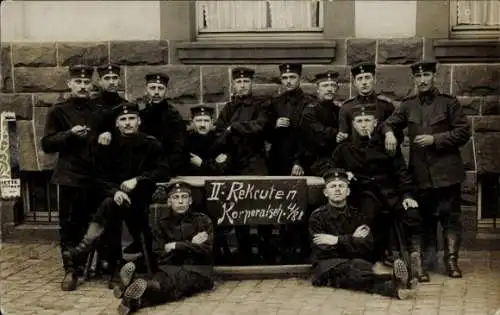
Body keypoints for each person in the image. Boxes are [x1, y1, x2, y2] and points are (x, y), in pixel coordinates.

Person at [384, 61, 471, 279]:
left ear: (434, 77)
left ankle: (451, 262)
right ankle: (427, 262)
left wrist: (436, 139)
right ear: (414, 79)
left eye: (427, 76)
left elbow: (463, 132)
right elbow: (388, 123)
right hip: (420, 173)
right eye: (418, 77)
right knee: (425, 219)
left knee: (450, 219)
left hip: (447, 173)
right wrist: (389, 133)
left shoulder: (449, 103)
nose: (422, 80)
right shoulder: (407, 105)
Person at [64, 102, 169, 281]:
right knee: (112, 204)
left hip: (140, 199)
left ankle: (88, 249)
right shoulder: (108, 146)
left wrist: (138, 180)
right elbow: (99, 177)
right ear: (116, 124)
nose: (128, 123)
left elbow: (163, 170)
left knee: (110, 206)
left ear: (139, 121)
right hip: (115, 196)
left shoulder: (151, 144)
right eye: (123, 119)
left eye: (131, 118)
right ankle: (114, 266)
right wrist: (115, 192)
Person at [319, 104, 425, 281]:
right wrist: (345, 175)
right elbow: (330, 167)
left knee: (411, 213)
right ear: (353, 124)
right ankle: (376, 262)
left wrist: (407, 196)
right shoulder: (344, 149)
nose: (363, 125)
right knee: (368, 217)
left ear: (375, 123)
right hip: (363, 194)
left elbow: (401, 172)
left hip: (390, 194)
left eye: (367, 120)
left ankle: (415, 263)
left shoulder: (387, 145)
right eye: (359, 121)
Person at [309, 168, 414, 299]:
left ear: (347, 191)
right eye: (333, 186)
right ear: (325, 192)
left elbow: (366, 245)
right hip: (327, 267)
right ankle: (394, 282)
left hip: (355, 262)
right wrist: (352, 240)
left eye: (341, 186)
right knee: (354, 272)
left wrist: (336, 240)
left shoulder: (357, 216)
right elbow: (323, 250)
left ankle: (395, 286)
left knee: (360, 271)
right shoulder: (317, 217)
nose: (337, 190)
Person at [114, 181, 215, 315]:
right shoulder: (162, 224)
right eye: (176, 198)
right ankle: (133, 301)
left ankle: (132, 288)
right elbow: (160, 253)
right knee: (164, 285)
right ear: (169, 202)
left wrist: (175, 245)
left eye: (184, 197)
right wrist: (191, 244)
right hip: (169, 268)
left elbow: (206, 250)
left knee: (173, 285)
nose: (180, 202)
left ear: (190, 201)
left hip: (198, 271)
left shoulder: (202, 221)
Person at [41, 64, 100, 291]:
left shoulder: (98, 110)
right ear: (70, 84)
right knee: (69, 226)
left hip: (95, 177)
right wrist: (69, 134)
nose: (83, 86)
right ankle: (70, 271)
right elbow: (47, 144)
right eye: (79, 82)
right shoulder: (58, 111)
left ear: (91, 85)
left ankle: (91, 265)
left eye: (86, 83)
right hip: (70, 177)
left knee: (94, 223)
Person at [122, 72, 186, 255]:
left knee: (141, 194)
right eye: (152, 88)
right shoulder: (140, 115)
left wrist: (164, 169)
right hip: (141, 169)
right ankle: (141, 239)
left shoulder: (173, 117)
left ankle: (148, 243)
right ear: (146, 90)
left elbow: (178, 150)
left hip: (164, 169)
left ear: (166, 91)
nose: (156, 92)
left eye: (160, 88)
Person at [214, 67, 270, 263]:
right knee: (237, 207)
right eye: (239, 82)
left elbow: (260, 127)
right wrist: (227, 136)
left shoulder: (260, 106)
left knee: (262, 206)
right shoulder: (228, 108)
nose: (243, 85)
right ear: (233, 85)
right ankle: (244, 250)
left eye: (246, 81)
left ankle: (265, 250)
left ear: (251, 84)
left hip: (256, 163)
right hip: (234, 163)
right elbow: (218, 133)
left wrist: (235, 127)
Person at [337, 62, 401, 155]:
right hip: (356, 159)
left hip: (382, 157)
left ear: (374, 79)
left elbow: (399, 135)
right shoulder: (346, 107)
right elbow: (343, 138)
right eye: (360, 79)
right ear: (355, 83)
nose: (364, 82)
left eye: (367, 77)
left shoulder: (386, 106)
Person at [266, 63, 315, 176]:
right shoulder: (275, 102)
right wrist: (275, 124)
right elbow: (267, 134)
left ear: (300, 79)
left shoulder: (310, 102)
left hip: (303, 161)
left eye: (292, 77)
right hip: (278, 160)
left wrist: (299, 161)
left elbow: (310, 137)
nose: (288, 81)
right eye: (284, 78)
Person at [302, 70, 341, 176]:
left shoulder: (338, 109)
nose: (329, 89)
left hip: (336, 160)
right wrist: (339, 133)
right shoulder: (310, 110)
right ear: (318, 89)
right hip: (314, 162)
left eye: (333, 85)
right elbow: (319, 135)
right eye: (325, 85)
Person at [186, 105, 230, 176]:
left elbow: (222, 170)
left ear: (211, 122)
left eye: (206, 121)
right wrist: (211, 165)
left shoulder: (220, 142)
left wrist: (201, 164)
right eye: (198, 121)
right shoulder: (186, 141)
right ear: (192, 122)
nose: (202, 125)